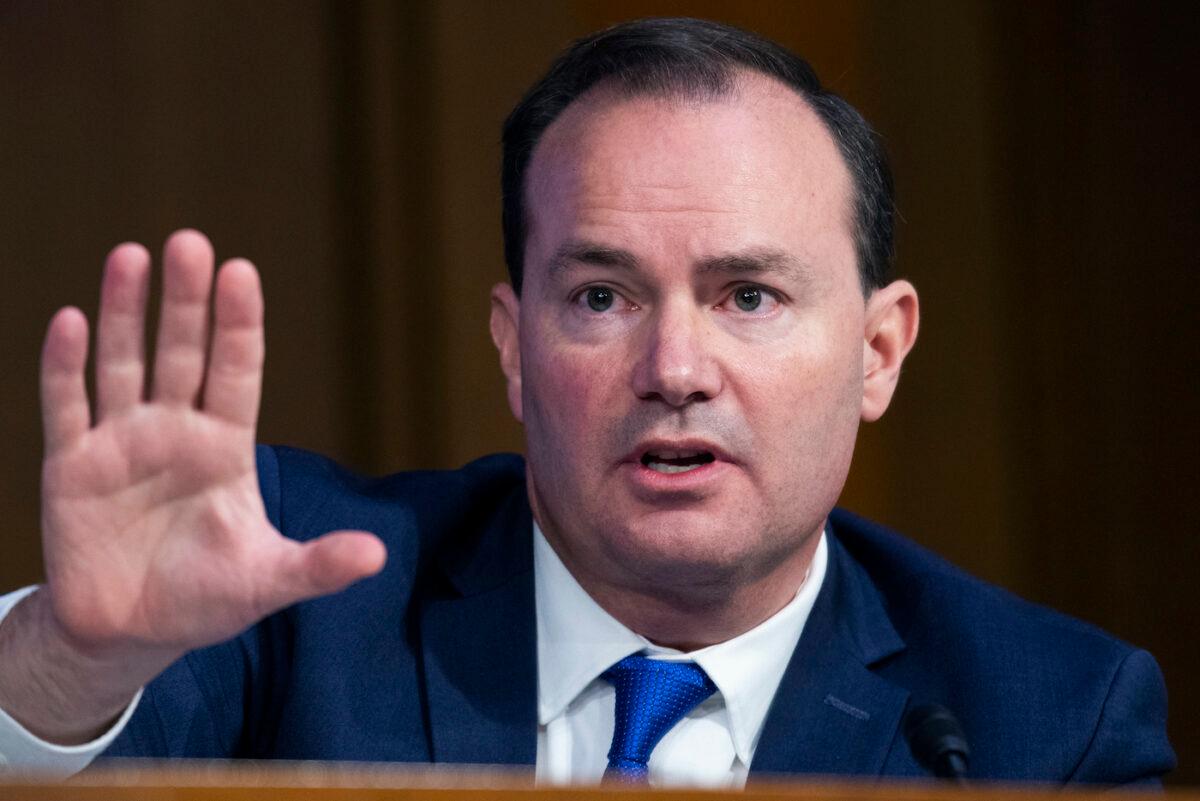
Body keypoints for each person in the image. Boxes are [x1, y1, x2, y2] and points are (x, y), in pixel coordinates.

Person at [0, 17, 1174, 786]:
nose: (676, 367)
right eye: (604, 295)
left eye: (750, 296)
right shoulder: (296, 586)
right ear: (513, 346)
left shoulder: (1044, 725)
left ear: (878, 350)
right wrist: (70, 660)